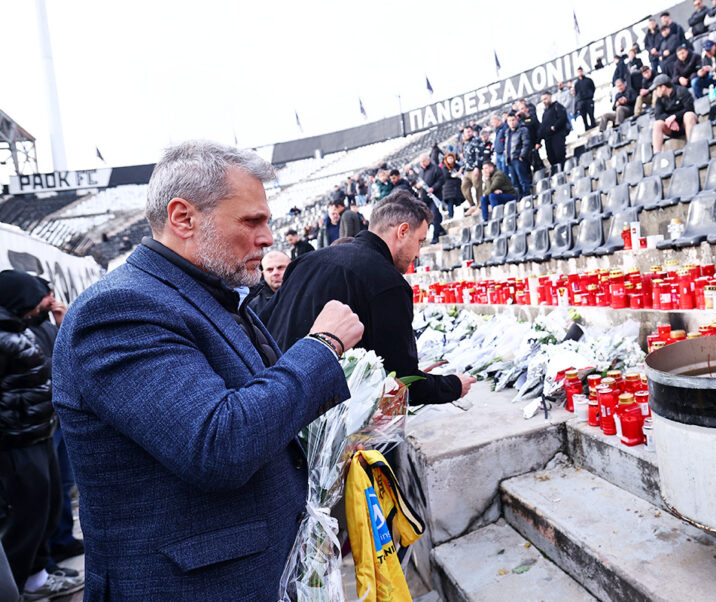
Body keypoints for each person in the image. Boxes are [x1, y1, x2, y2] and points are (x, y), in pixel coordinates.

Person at [52, 140, 365, 599]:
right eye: (251, 221)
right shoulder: (119, 309)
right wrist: (322, 346)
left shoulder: (206, 291)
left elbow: (256, 404)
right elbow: (217, 445)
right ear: (183, 218)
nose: (267, 237)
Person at [264, 190, 475, 406]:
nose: (419, 253)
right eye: (420, 241)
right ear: (402, 231)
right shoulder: (387, 281)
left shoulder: (307, 260)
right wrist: (454, 385)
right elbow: (401, 383)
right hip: (322, 415)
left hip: (272, 394)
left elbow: (265, 327)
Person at [0, 270, 85, 600]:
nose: (43, 304)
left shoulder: (17, 329)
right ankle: (16, 588)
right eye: (37, 297)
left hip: (35, 433)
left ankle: (36, 577)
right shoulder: (5, 337)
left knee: (43, 510)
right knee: (25, 517)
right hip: (16, 441)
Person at [651, 74, 697, 152]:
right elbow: (657, 115)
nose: (655, 91)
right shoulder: (660, 99)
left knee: (689, 115)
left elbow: (690, 108)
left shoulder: (682, 91)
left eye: (656, 88)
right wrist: (670, 120)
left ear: (663, 87)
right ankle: (657, 154)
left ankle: (692, 147)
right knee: (657, 124)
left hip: (686, 123)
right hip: (672, 128)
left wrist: (675, 116)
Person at [245, 250, 290, 316]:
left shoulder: (306, 295)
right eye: (270, 269)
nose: (275, 273)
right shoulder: (253, 306)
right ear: (264, 274)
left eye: (280, 268)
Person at [536, 90, 570, 169]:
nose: (544, 101)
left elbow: (563, 118)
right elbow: (543, 126)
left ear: (550, 97)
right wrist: (538, 140)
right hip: (548, 138)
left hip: (557, 135)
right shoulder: (545, 112)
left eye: (545, 99)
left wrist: (555, 126)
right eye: (542, 100)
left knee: (559, 155)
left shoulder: (557, 106)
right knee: (551, 157)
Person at [505, 112, 533, 197]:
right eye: (509, 121)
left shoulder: (523, 129)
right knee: (515, 182)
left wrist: (522, 156)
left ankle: (527, 197)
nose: (511, 122)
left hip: (518, 159)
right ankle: (520, 198)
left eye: (513, 120)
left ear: (516, 119)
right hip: (510, 160)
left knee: (523, 180)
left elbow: (526, 143)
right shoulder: (507, 132)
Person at [458, 127, 484, 207]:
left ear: (472, 132)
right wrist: (461, 168)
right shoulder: (465, 143)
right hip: (467, 170)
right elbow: (465, 158)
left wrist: (477, 167)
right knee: (464, 187)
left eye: (469, 132)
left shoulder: (476, 140)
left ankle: (480, 205)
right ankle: (472, 205)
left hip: (475, 169)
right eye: (466, 132)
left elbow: (479, 154)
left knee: (478, 187)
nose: (468, 133)